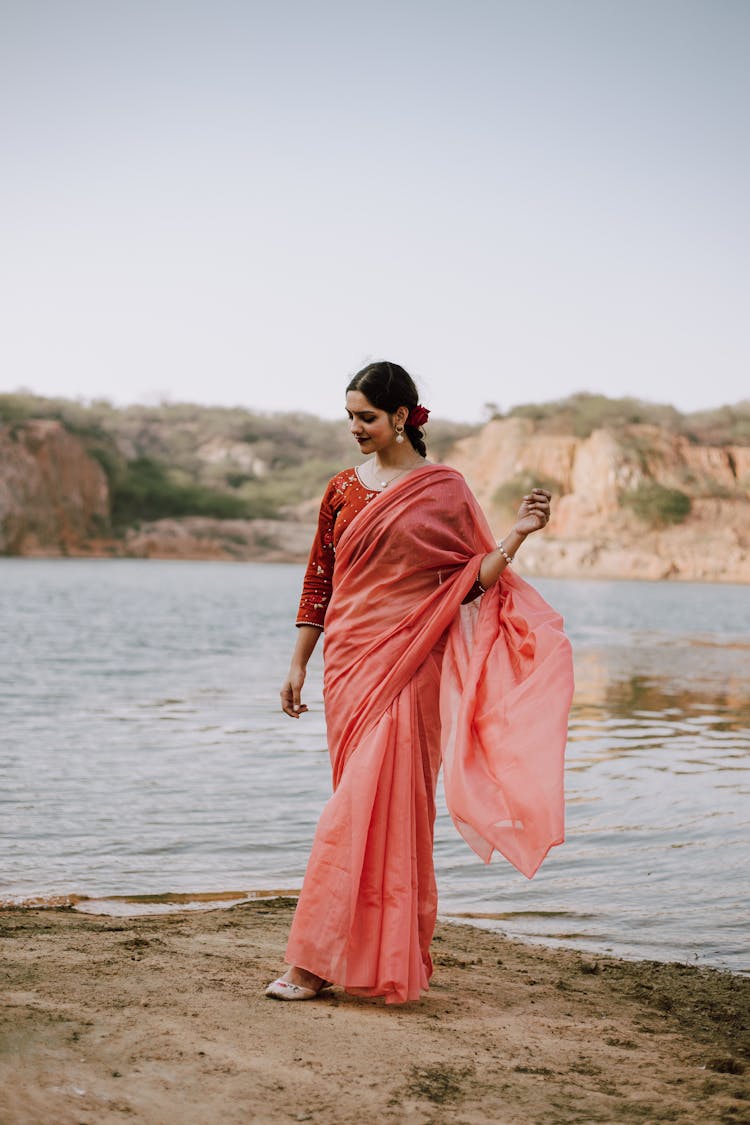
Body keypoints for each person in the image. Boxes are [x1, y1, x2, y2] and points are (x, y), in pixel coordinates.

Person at [266, 361, 574, 1004]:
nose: (354, 428)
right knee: (362, 808)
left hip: (409, 666)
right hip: (349, 664)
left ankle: (312, 964)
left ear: (402, 416)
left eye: (366, 417)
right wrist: (299, 659)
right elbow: (319, 579)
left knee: (359, 812)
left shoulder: (444, 490)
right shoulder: (341, 489)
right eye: (349, 416)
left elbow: (473, 581)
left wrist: (516, 534)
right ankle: (354, 955)